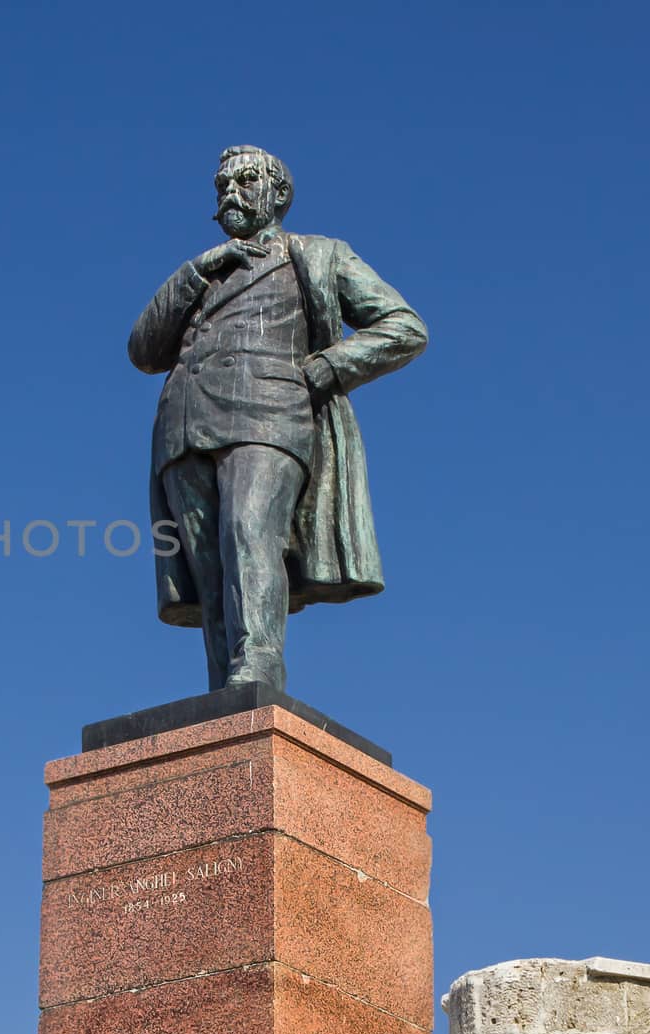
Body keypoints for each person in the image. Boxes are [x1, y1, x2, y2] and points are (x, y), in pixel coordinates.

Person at [128, 145, 428, 692]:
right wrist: (195, 273)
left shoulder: (318, 254)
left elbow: (404, 328)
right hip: (183, 429)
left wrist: (328, 369)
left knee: (247, 532)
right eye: (221, 187)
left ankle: (258, 666)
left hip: (269, 416)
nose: (230, 195)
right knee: (209, 568)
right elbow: (144, 350)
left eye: (244, 182)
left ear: (279, 194)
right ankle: (228, 688)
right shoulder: (201, 275)